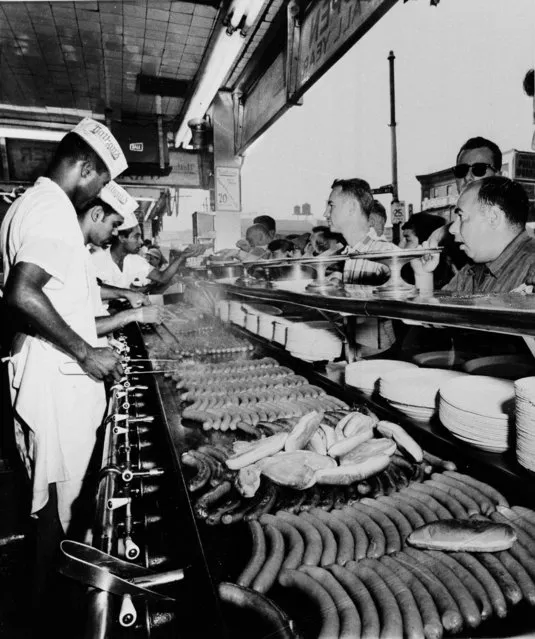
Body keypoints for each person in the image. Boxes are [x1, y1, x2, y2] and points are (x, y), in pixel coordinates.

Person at [0, 117, 126, 627]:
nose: (100, 195)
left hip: (46, 376)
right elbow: (22, 293)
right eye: (100, 183)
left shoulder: (29, 205)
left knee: (54, 507)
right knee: (59, 513)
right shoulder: (52, 211)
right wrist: (86, 352)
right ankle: (54, 617)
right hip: (57, 385)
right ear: (85, 168)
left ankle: (49, 603)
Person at [413, 176, 535, 295]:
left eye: (461, 216)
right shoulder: (470, 272)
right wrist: (423, 275)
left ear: (493, 217)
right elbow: (440, 314)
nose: (452, 229)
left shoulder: (531, 272)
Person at [77, 183, 165, 335]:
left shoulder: (82, 251)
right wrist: (132, 314)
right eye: (114, 224)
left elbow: (90, 291)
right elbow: (72, 325)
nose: (114, 232)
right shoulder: (71, 251)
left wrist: (127, 293)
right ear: (97, 214)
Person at [324, 178, 398, 358]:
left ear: (351, 208)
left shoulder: (385, 252)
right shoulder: (349, 252)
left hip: (378, 356)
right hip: (354, 351)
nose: (325, 213)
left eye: (331, 205)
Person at [91, 210, 203, 291]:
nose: (141, 242)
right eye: (136, 237)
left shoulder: (134, 260)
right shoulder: (96, 259)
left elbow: (162, 277)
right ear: (122, 238)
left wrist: (182, 257)